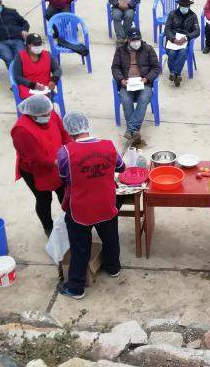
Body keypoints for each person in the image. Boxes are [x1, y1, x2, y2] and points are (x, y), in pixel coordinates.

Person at [56, 112, 125, 300]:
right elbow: (121, 167)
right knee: (110, 238)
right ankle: (113, 268)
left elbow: (64, 177)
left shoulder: (65, 152)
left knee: (80, 247)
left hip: (80, 208)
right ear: (88, 126)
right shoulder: (108, 146)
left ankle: (76, 288)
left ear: (69, 130)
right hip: (106, 204)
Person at [11, 95, 70, 236]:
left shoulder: (50, 113)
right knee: (44, 199)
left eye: (48, 113)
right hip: (35, 171)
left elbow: (64, 134)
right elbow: (35, 159)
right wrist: (58, 162)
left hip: (58, 162)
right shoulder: (21, 130)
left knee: (64, 192)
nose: (48, 116)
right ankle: (48, 227)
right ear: (31, 114)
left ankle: (70, 220)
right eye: (43, 115)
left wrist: (71, 150)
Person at [111, 27, 160, 145]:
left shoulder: (148, 49)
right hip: (127, 83)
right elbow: (115, 68)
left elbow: (156, 68)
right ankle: (135, 131)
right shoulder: (120, 51)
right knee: (126, 100)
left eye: (138, 39)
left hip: (144, 83)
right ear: (128, 40)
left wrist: (146, 78)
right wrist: (121, 80)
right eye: (133, 40)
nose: (136, 42)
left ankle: (131, 129)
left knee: (143, 99)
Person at [11, 33, 62, 100]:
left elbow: (57, 70)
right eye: (35, 44)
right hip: (28, 87)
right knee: (36, 100)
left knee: (43, 100)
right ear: (28, 45)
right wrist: (33, 85)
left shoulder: (47, 54)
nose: (38, 46)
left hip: (45, 87)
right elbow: (18, 77)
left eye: (40, 44)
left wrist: (53, 80)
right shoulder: (20, 56)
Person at [163, 0, 199, 87]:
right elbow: (167, 29)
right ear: (179, 5)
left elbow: (197, 31)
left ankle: (174, 73)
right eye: (182, 6)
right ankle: (177, 75)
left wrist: (187, 37)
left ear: (189, 6)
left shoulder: (193, 16)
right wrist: (173, 39)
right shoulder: (172, 14)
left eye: (186, 6)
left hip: (184, 41)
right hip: (172, 40)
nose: (184, 8)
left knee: (182, 52)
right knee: (172, 53)